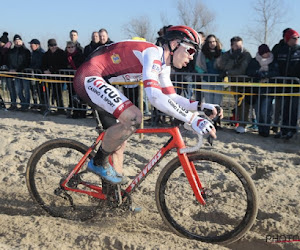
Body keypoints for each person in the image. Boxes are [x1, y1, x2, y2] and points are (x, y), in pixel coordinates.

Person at [73, 25, 222, 184]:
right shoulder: (152, 53)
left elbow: (171, 96)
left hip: (104, 80)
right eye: (191, 51)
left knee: (118, 143)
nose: (192, 57)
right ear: (174, 44)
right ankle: (97, 162)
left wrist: (201, 107)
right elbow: (155, 97)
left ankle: (112, 198)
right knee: (134, 117)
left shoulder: (164, 65)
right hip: (88, 77)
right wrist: (193, 119)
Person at [216, 36, 252, 133]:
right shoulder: (228, 54)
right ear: (232, 46)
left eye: (240, 45)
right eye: (236, 46)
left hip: (245, 83)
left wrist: (228, 72)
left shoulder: (246, 54)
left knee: (244, 104)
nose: (239, 47)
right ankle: (239, 123)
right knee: (237, 103)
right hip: (234, 83)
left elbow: (242, 69)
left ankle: (242, 124)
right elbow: (221, 65)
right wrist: (233, 61)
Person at [246, 44, 279, 137]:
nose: (267, 54)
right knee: (258, 111)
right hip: (256, 89)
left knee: (266, 111)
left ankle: (266, 129)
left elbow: (276, 72)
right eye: (265, 53)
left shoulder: (273, 61)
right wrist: (257, 74)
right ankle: (261, 130)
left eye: (268, 52)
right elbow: (249, 72)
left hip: (269, 89)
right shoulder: (254, 61)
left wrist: (266, 74)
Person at [274, 29, 300, 140]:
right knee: (283, 108)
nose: (296, 40)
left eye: (297, 38)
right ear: (287, 39)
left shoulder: (299, 51)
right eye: (294, 38)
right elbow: (273, 63)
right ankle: (283, 129)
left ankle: (292, 129)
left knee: (293, 108)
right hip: (282, 85)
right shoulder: (280, 49)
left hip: (295, 85)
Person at [195, 34, 224, 105]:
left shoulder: (222, 53)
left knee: (217, 102)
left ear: (216, 42)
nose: (212, 43)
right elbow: (197, 66)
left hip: (218, 80)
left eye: (213, 41)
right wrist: (203, 73)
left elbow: (226, 65)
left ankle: (217, 116)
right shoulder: (202, 54)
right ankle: (209, 115)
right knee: (208, 102)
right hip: (207, 80)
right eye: (210, 42)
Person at [42, 38, 68, 113]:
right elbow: (43, 64)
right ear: (48, 46)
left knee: (58, 94)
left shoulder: (61, 53)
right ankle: (46, 107)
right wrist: (45, 70)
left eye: (55, 45)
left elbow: (62, 65)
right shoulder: (46, 54)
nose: (53, 47)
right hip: (48, 78)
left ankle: (60, 109)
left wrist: (51, 70)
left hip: (58, 77)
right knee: (46, 93)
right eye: (51, 45)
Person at [7, 34, 31, 111]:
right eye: (16, 41)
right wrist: (11, 69)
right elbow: (9, 61)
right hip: (16, 74)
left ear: (22, 41)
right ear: (14, 42)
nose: (17, 43)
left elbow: (26, 62)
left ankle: (26, 105)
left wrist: (17, 69)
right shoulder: (11, 51)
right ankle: (23, 103)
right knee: (18, 90)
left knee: (26, 90)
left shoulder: (26, 51)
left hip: (24, 73)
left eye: (19, 41)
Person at [65, 41, 86, 118]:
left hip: (79, 78)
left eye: (72, 47)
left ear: (75, 47)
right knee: (72, 95)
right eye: (68, 47)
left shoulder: (79, 55)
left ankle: (82, 112)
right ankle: (75, 112)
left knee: (80, 96)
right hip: (69, 79)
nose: (70, 49)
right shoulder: (66, 56)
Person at [28, 39, 45, 110]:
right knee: (34, 90)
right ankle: (36, 104)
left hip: (39, 75)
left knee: (41, 90)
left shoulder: (41, 53)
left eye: (32, 45)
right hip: (34, 75)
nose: (30, 46)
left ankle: (43, 105)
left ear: (37, 45)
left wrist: (32, 68)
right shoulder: (33, 53)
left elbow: (39, 63)